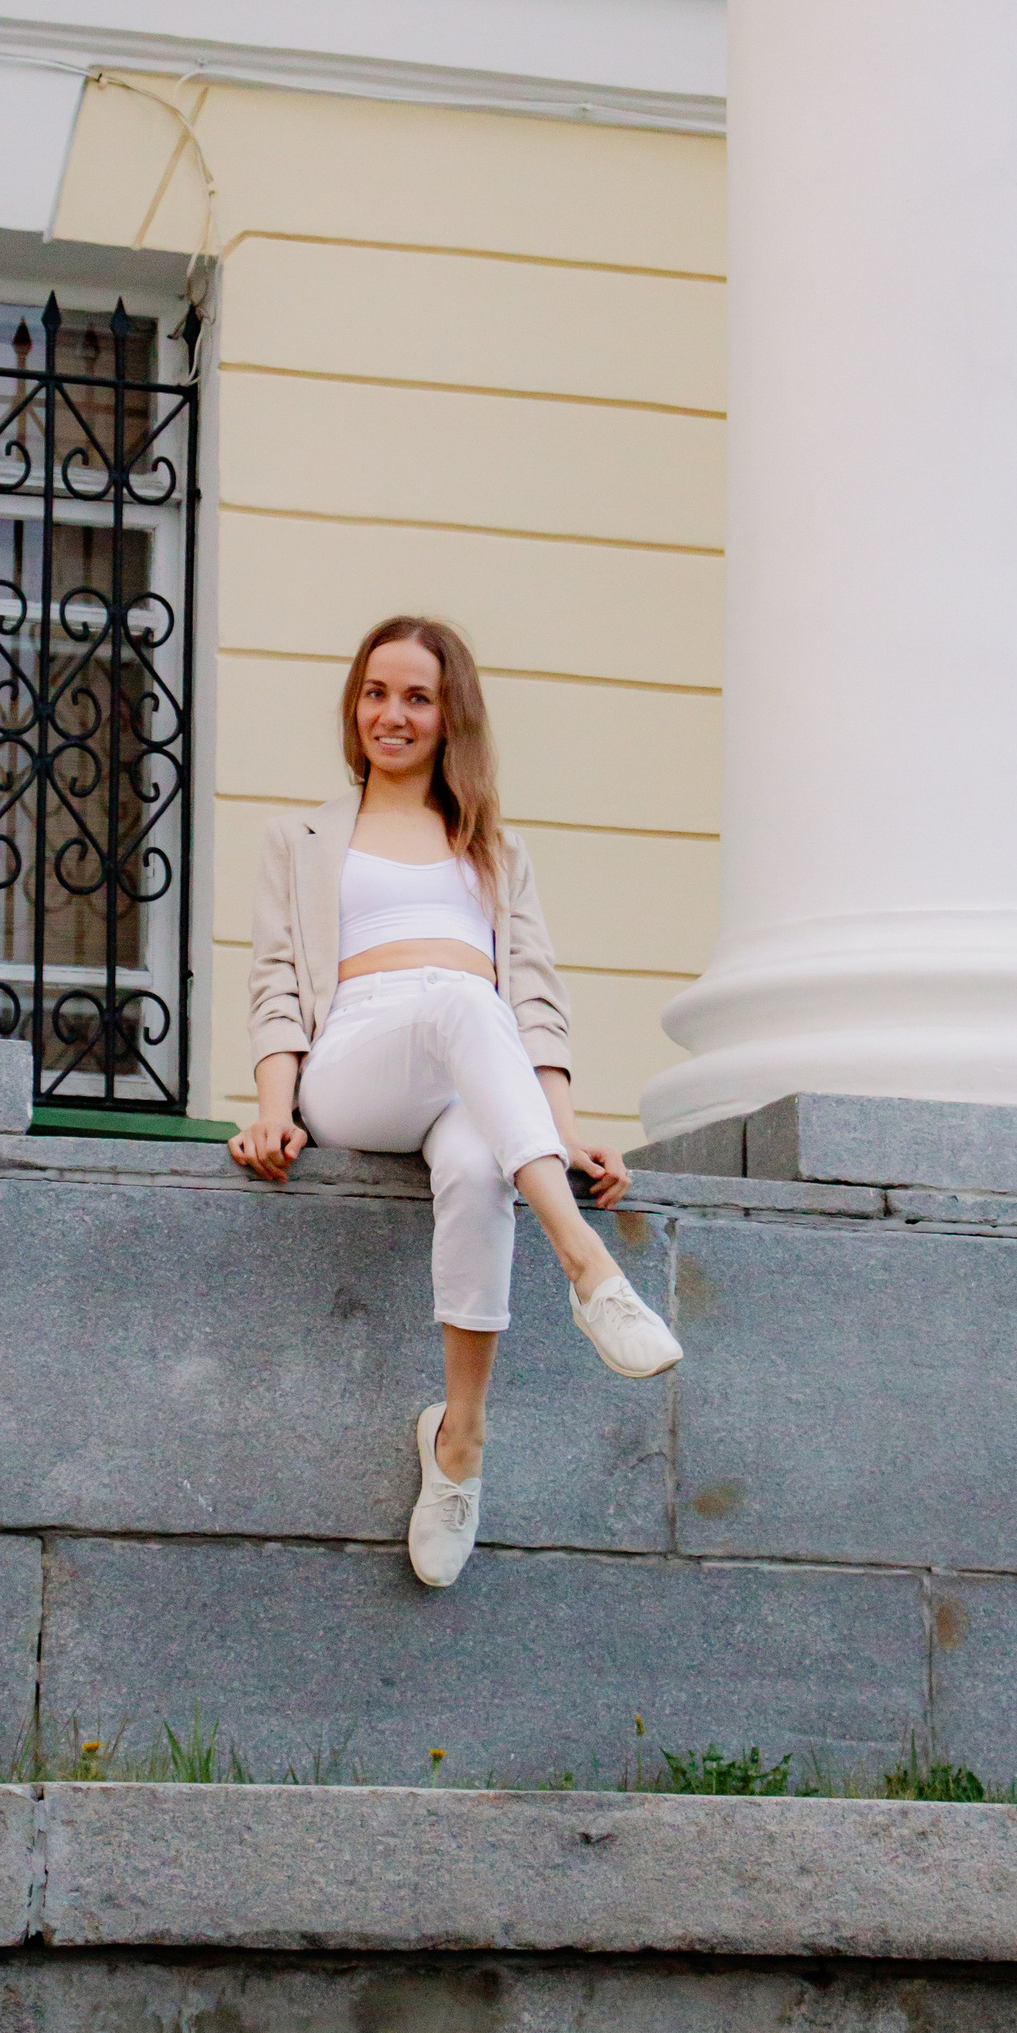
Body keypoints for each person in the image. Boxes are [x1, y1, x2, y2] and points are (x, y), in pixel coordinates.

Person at [231, 613, 680, 1591]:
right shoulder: (301, 838)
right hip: (358, 1063)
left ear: (451, 716)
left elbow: (536, 1002)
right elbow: (274, 983)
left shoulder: (495, 852)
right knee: (461, 998)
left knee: (480, 1167)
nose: (391, 714)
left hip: (470, 1070)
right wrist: (273, 1107)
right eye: (375, 693)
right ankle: (591, 1271)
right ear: (355, 707)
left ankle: (460, 1443)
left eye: (417, 697)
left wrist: (564, 1131)